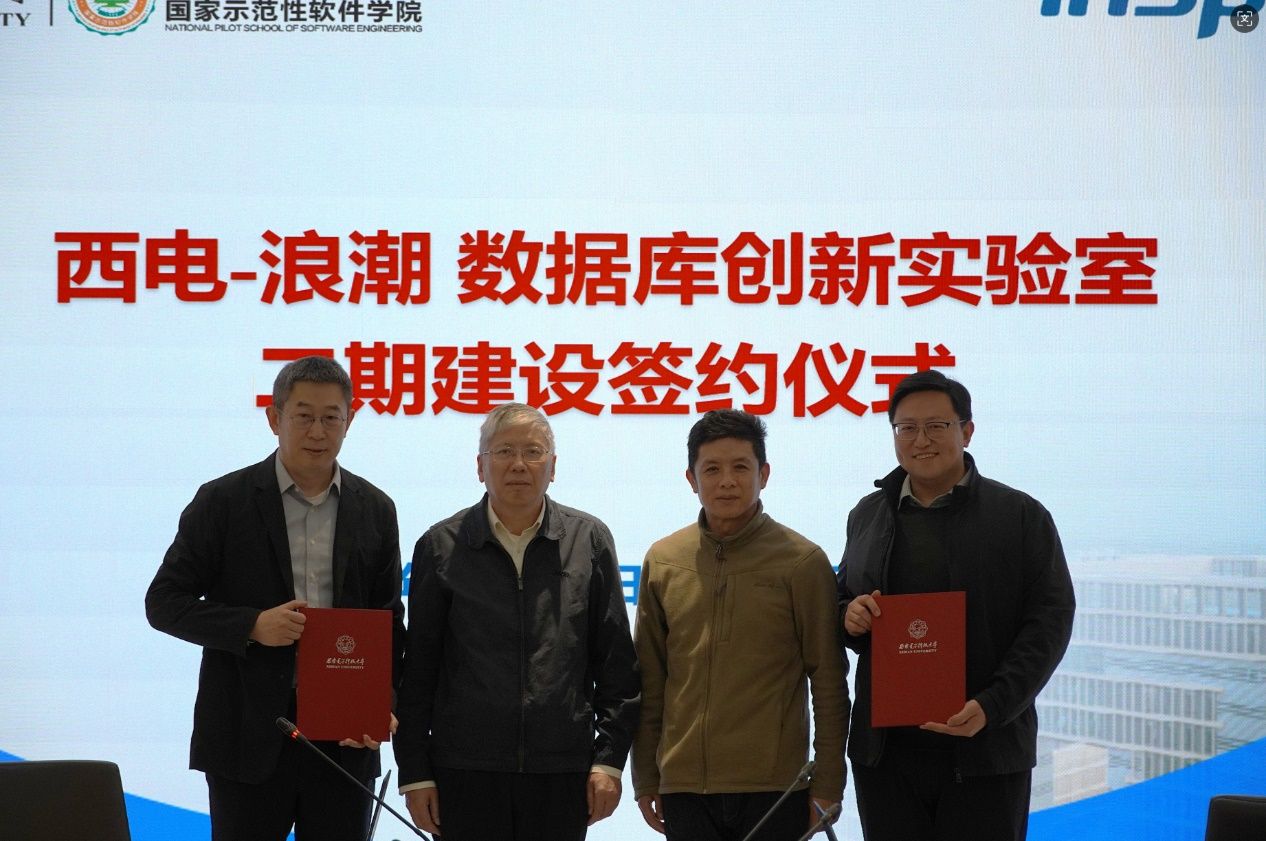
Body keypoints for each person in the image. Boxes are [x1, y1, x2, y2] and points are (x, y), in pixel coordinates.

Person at [145, 356, 405, 841]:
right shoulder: (223, 501)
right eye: (303, 416)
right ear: (274, 417)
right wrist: (251, 625)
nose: (318, 431)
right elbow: (163, 602)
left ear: (350, 421)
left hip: (343, 740)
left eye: (331, 417)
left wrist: (380, 704)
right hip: (246, 735)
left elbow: (389, 622)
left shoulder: (375, 508)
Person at [838, 370, 1075, 841]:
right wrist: (849, 616)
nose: (921, 440)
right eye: (907, 428)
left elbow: (1049, 621)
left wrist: (994, 705)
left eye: (937, 426)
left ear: (966, 431)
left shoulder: (1020, 515)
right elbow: (843, 599)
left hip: (986, 747)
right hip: (886, 756)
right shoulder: (867, 513)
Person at [394, 402, 639, 841]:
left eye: (533, 452)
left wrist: (608, 760)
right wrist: (415, 772)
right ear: (480, 466)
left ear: (553, 466)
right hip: (463, 770)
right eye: (504, 451)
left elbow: (616, 665)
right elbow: (418, 671)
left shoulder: (589, 541)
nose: (519, 465)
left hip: (562, 771)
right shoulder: (441, 545)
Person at [632, 409, 849, 841]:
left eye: (741, 467)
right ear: (691, 479)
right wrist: (646, 776)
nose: (726, 481)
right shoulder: (664, 560)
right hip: (685, 787)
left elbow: (828, 680)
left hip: (776, 787)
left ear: (764, 474)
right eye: (711, 469)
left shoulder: (802, 561)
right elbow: (650, 680)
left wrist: (828, 783)